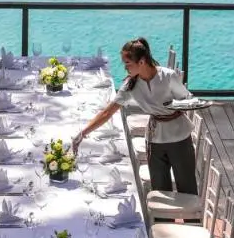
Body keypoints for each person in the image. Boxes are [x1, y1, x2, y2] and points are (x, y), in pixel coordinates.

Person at [72, 37, 198, 195]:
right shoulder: (131, 85)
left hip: (180, 138)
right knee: (160, 193)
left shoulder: (168, 76)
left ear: (142, 61)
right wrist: (82, 133)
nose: (125, 68)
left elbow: (188, 99)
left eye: (127, 63)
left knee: (187, 190)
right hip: (155, 140)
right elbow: (107, 112)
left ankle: (191, 220)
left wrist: (174, 107)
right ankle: (163, 220)